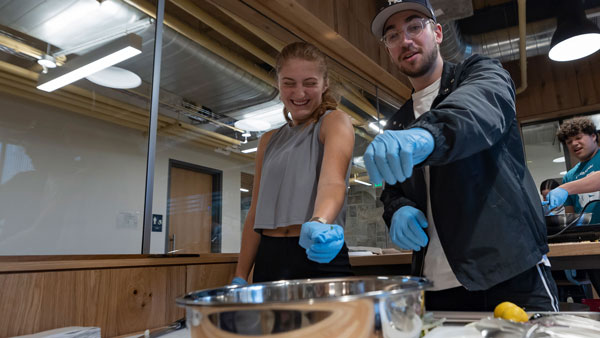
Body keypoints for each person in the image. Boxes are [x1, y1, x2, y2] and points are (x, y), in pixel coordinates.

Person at [363, 0, 558, 311]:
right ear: (388, 49)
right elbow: (394, 191)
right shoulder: (398, 121)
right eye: (393, 36)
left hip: (509, 271)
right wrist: (397, 208)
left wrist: (426, 134)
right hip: (435, 285)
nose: (405, 41)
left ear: (438, 32)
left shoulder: (479, 73)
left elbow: (476, 110)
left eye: (414, 26)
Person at [231, 42, 355, 285]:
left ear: (325, 84)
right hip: (269, 258)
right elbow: (255, 212)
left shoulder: (334, 122)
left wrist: (319, 222)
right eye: (289, 83)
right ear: (278, 85)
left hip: (317, 251)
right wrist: (240, 274)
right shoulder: (268, 140)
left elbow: (333, 182)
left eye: (309, 83)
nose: (299, 93)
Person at [546, 117, 600, 222]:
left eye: (578, 138)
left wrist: (565, 189)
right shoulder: (569, 176)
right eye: (569, 142)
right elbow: (571, 215)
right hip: (588, 236)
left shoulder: (566, 186)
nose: (574, 144)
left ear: (593, 136)